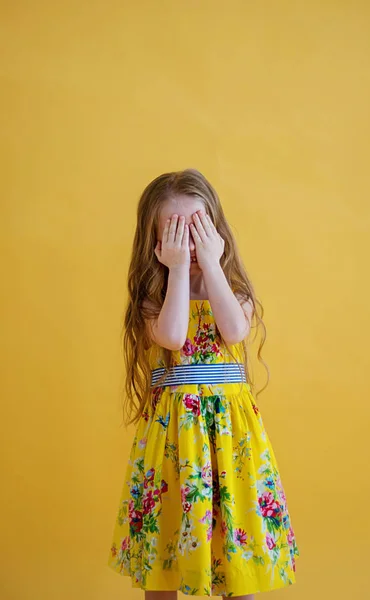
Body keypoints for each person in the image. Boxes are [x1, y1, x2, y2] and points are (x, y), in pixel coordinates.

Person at [108, 169, 299, 598]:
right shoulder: (152, 299)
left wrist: (210, 264)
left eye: (198, 229)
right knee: (167, 546)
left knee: (237, 544)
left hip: (229, 438)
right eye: (176, 232)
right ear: (154, 241)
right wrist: (177, 271)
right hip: (174, 439)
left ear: (217, 230)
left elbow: (233, 331)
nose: (189, 245)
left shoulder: (233, 291)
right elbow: (174, 336)